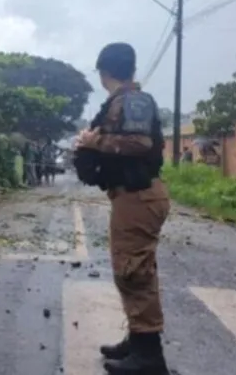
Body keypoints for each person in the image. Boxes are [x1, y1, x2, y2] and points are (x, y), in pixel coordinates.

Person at [74, 42, 171, 375]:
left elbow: (139, 143)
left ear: (104, 72)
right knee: (131, 269)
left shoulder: (132, 100)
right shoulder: (124, 101)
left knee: (134, 271)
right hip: (132, 196)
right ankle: (138, 339)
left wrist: (93, 142)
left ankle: (149, 358)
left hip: (138, 195)